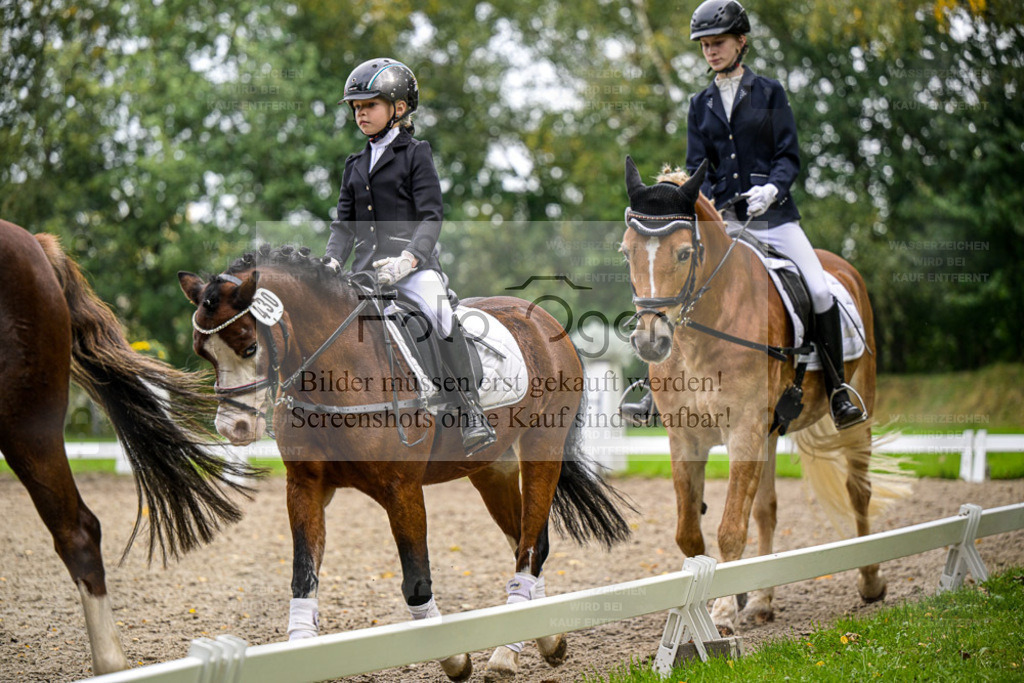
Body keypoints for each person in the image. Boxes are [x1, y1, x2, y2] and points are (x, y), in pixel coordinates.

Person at [621, 0, 865, 430]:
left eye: (718, 43)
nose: (711, 51)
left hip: (777, 219)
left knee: (821, 291)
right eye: (705, 45)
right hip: (726, 223)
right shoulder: (700, 103)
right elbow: (698, 166)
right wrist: (716, 206)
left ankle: (837, 390)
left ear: (741, 42)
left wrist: (772, 188)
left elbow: (789, 155)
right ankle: (653, 389)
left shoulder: (770, 93)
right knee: (680, 288)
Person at [325, 57, 496, 453]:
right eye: (356, 107)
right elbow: (343, 225)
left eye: (369, 105)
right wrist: (332, 261)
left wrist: (409, 259)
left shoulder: (416, 154)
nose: (360, 113)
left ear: (398, 108)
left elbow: (431, 215)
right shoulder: (354, 165)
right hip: (366, 273)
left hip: (413, 269)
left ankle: (468, 409)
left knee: (439, 314)